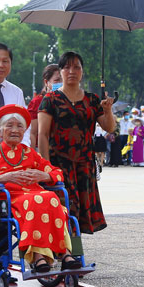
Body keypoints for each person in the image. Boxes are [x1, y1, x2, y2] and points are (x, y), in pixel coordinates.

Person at [0, 104, 80, 272]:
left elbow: (57, 172)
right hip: (9, 197)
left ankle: (66, 253)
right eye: (10, 125)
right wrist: (2, 178)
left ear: (24, 132)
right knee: (39, 201)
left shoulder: (30, 152)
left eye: (19, 126)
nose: (15, 130)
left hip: (37, 194)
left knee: (57, 202)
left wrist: (46, 176)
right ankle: (37, 257)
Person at [37, 51, 115, 234]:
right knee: (65, 205)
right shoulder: (51, 99)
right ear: (61, 71)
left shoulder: (92, 100)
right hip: (59, 162)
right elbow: (42, 134)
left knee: (80, 208)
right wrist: (46, 166)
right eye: (66, 67)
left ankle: (71, 250)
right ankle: (68, 251)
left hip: (84, 163)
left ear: (82, 71)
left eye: (76, 67)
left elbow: (109, 127)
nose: (71, 71)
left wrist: (108, 110)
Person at [27, 65, 61, 150]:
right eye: (56, 80)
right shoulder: (37, 102)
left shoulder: (68, 101)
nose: (61, 83)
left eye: (63, 80)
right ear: (46, 82)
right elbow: (32, 133)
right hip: (43, 149)